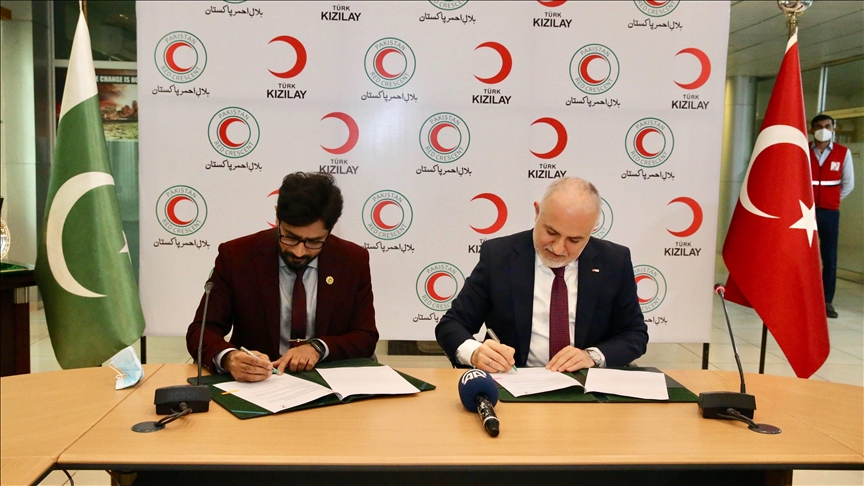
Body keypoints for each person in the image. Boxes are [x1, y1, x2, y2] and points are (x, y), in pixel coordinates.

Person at [436, 177, 648, 373]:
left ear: (593, 230)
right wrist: (475, 352)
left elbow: (634, 334)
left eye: (574, 240)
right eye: (551, 232)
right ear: (537, 212)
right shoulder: (499, 256)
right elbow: (451, 325)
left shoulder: (614, 261)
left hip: (586, 385)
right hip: (515, 382)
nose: (558, 248)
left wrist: (591, 356)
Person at [186, 172, 378, 381]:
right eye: (290, 238)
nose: (299, 252)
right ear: (277, 216)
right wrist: (229, 358)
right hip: (258, 384)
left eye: (314, 242)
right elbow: (202, 331)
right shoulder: (237, 256)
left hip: (328, 382)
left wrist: (318, 348)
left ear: (331, 228)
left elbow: (365, 336)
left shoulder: (352, 260)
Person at [809, 114, 855, 319]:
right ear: (812, 129)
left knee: (829, 258)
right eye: (819, 126)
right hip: (804, 212)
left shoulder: (843, 153)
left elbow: (848, 184)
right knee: (801, 255)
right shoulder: (803, 151)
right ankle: (801, 296)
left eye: (827, 126)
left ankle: (826, 301)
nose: (823, 130)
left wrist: (831, 200)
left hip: (829, 212)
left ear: (833, 129)